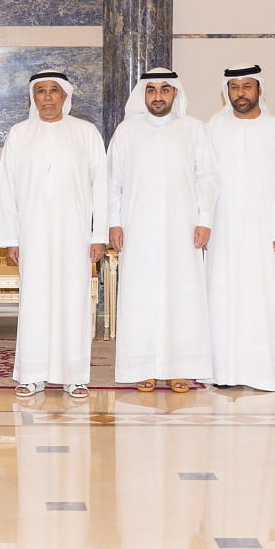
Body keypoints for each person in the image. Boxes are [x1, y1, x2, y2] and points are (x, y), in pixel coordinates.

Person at [0, 71, 107, 398]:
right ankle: (31, 374)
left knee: (74, 302)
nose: (47, 97)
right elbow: (7, 189)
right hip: (32, 234)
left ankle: (74, 376)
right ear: (34, 97)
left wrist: (97, 234)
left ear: (65, 96)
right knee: (35, 301)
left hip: (75, 235)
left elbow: (100, 186)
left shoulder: (85, 133)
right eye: (41, 91)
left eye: (53, 91)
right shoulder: (20, 134)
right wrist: (11, 238)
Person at [107, 67, 217, 393]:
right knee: (140, 298)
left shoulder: (194, 130)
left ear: (175, 94)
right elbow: (114, 181)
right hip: (138, 230)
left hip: (183, 231)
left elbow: (208, 178)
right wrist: (115, 222)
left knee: (182, 297)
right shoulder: (127, 132)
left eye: (165, 90)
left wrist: (205, 219)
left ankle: (181, 368)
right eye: (152, 90)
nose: (158, 96)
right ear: (144, 94)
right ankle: (143, 367)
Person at [204, 65, 275, 391]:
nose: (241, 93)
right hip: (222, 232)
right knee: (221, 300)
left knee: (261, 302)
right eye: (235, 87)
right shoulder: (213, 127)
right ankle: (222, 373)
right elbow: (204, 180)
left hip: (264, 232)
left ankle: (260, 374)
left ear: (259, 89)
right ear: (227, 91)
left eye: (247, 86)